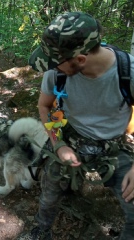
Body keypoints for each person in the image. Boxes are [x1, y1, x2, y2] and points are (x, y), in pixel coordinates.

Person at [17, 12, 134, 240]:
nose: (51, 68)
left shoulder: (127, 72)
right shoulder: (56, 73)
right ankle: (42, 229)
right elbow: (44, 107)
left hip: (113, 147)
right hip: (71, 137)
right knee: (49, 193)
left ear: (80, 59)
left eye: (55, 63)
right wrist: (59, 144)